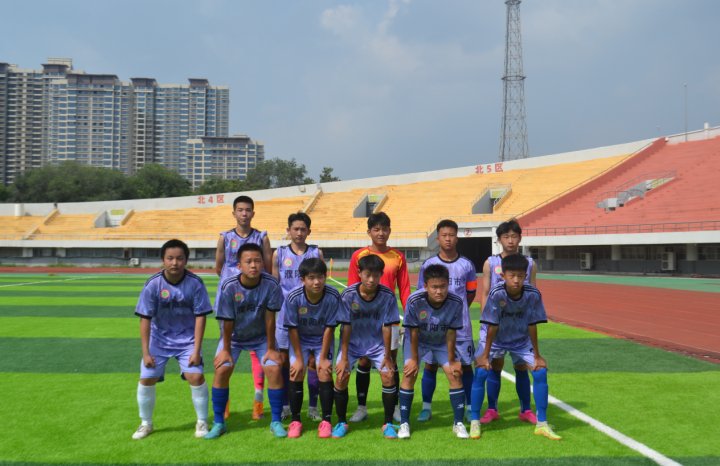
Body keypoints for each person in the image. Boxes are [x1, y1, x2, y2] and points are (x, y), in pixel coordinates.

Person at [470, 254, 560, 441]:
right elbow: (492, 325)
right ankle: (475, 421)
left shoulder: (533, 294)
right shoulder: (496, 293)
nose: (516, 280)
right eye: (512, 276)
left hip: (521, 340)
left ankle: (542, 424)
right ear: (503, 276)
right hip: (496, 339)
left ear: (526, 276)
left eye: (520, 276)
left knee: (540, 371)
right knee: (481, 370)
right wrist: (485, 355)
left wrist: (537, 356)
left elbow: (532, 324)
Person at [131, 239, 212, 440]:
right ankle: (146, 423)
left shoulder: (195, 283)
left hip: (187, 341)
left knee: (196, 377)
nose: (174, 263)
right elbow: (145, 318)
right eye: (170, 258)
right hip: (159, 341)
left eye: (179, 258)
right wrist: (146, 352)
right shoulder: (153, 284)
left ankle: (202, 421)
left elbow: (201, 317)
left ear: (186, 260)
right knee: (147, 378)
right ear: (163, 260)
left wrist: (196, 350)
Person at [204, 243, 286, 439]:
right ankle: (219, 422)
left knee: (274, 369)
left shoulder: (271, 284)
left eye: (257, 261)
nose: (253, 265)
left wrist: (271, 348)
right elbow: (227, 320)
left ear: (263, 263)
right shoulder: (229, 286)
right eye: (248, 261)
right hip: (233, 338)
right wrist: (225, 349)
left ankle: (276, 421)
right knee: (222, 368)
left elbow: (270, 318)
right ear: (239, 265)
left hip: (261, 337)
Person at [347, 212, 411, 423]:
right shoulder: (358, 256)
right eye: (376, 229)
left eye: (384, 229)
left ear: (390, 231)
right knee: (364, 360)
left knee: (390, 360)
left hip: (389, 318)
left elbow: (404, 289)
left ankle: (395, 407)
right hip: (364, 320)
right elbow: (351, 288)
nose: (381, 233)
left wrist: (409, 317)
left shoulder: (398, 257)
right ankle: (362, 407)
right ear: (369, 232)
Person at [215, 195, 273, 420]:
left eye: (248, 210)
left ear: (253, 213)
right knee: (227, 347)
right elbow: (219, 268)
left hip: (256, 296)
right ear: (234, 213)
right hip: (231, 298)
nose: (244, 214)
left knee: (259, 350)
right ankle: (224, 403)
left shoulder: (261, 237)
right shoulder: (224, 237)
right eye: (240, 210)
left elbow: (268, 266)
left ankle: (258, 401)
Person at [415, 219, 477, 422]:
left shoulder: (467, 265)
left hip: (461, 328)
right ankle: (426, 407)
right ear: (438, 238)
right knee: (430, 366)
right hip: (433, 327)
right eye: (444, 235)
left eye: (451, 235)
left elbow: (470, 293)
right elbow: (421, 294)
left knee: (465, 366)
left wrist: (457, 312)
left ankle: (469, 407)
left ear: (457, 238)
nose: (448, 239)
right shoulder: (428, 265)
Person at [333, 255, 401, 439]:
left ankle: (388, 424)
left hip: (377, 345)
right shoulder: (348, 295)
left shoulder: (387, 296)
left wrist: (388, 356)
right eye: (367, 275)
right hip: (352, 344)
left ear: (381, 275)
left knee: (388, 375)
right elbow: (345, 327)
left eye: (376, 275)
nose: (371, 279)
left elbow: (387, 326)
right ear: (359, 273)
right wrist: (344, 358)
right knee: (341, 376)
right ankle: (341, 422)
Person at [398, 264, 469, 439]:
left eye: (443, 286)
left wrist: (452, 360)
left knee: (454, 374)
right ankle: (404, 423)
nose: (439, 291)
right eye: (434, 287)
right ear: (425, 286)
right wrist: (414, 359)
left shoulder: (456, 302)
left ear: (448, 285)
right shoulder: (414, 300)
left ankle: (458, 423)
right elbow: (413, 332)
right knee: (409, 373)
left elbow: (451, 332)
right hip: (418, 341)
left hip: (441, 342)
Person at [478, 218, 538, 425]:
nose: (510, 241)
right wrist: (486, 320)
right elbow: (485, 293)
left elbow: (533, 292)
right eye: (506, 237)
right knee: (494, 364)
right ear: (499, 240)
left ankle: (526, 409)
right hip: (496, 324)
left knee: (521, 366)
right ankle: (492, 409)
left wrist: (531, 320)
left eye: (514, 236)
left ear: (520, 238)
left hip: (519, 325)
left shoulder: (530, 264)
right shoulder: (491, 263)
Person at [273, 212, 324, 421]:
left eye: (303, 229)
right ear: (288, 230)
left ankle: (313, 407)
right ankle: (286, 405)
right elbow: (274, 286)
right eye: (295, 229)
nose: (299, 233)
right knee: (285, 362)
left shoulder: (316, 252)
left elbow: (321, 282)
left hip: (311, 317)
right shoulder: (279, 253)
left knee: (312, 362)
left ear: (309, 231)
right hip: (286, 316)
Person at [283, 258, 339, 438]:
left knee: (324, 371)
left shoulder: (332, 296)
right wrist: (299, 359)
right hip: (300, 339)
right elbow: (292, 329)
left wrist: (322, 358)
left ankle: (326, 421)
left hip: (322, 339)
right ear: (303, 279)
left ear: (325, 277)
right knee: (296, 371)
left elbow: (330, 328)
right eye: (311, 278)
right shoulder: (293, 297)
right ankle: (296, 421)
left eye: (320, 277)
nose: (317, 282)